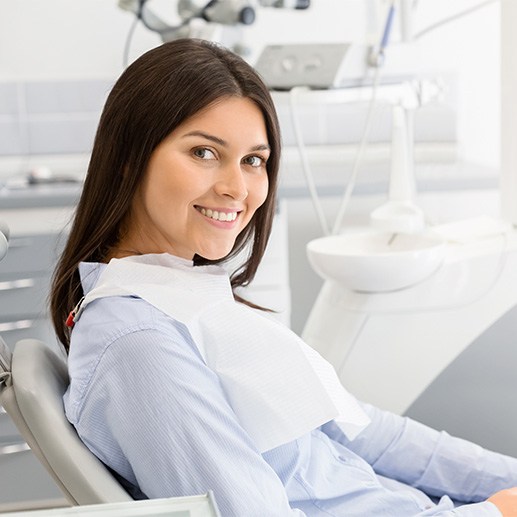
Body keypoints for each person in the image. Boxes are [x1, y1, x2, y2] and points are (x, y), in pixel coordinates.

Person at [50, 38, 517, 517]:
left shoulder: (177, 295)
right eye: (205, 153)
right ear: (130, 156)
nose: (237, 188)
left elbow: (363, 432)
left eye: (254, 160)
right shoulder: (139, 343)